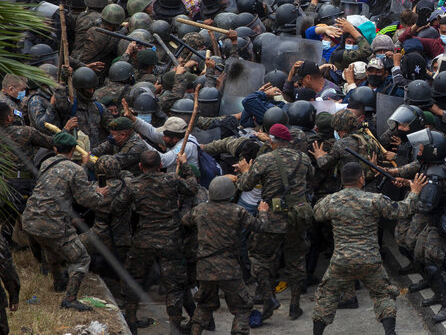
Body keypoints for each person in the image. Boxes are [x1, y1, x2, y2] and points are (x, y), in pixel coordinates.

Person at [311, 162, 427, 335]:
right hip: (370, 261)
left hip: (342, 261)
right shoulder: (374, 200)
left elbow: (317, 214)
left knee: (327, 295)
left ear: (343, 180)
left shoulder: (331, 200)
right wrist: (414, 192)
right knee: (383, 294)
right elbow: (402, 210)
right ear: (362, 179)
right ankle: (390, 332)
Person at [113, 150, 199, 333]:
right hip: (170, 241)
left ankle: (131, 323)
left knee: (133, 281)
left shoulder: (133, 185)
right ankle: (175, 327)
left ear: (140, 167)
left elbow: (117, 207)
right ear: (160, 165)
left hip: (143, 240)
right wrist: (184, 165)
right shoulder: (171, 180)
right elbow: (192, 187)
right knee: (174, 288)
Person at [21, 132, 108, 311]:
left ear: (55, 149)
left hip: (30, 219)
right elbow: (87, 200)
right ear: (73, 149)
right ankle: (70, 298)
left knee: (51, 250)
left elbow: (64, 180)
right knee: (81, 258)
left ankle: (59, 283)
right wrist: (100, 195)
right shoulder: (75, 170)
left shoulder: (47, 162)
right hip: (53, 223)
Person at [236, 123, 314, 321]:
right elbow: (310, 182)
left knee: (260, 259)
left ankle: (268, 296)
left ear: (272, 141)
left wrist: (245, 170)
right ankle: (294, 306)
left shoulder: (264, 160)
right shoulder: (303, 159)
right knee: (296, 262)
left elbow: (245, 185)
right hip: (297, 219)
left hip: (271, 219)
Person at [182, 176, 271, 335]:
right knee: (243, 307)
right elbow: (261, 226)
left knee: (204, 305)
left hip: (204, 268)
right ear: (231, 193)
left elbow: (184, 221)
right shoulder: (237, 211)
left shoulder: (199, 210)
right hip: (229, 269)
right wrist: (263, 212)